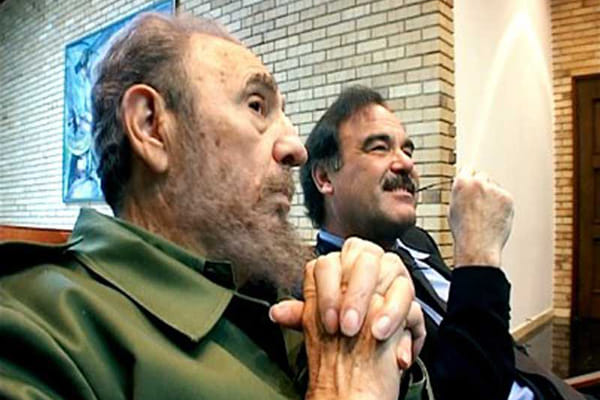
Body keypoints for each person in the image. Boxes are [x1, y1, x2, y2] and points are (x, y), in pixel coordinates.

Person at [0, 14, 429, 400]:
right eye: (257, 106)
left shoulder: (293, 298)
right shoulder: (35, 333)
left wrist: (387, 350)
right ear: (151, 126)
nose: (296, 148)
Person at [300, 85, 593, 400]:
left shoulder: (416, 241)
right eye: (379, 148)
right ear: (325, 178)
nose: (406, 164)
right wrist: (478, 256)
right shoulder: (325, 289)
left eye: (407, 151)